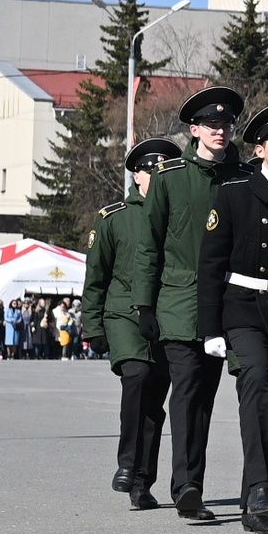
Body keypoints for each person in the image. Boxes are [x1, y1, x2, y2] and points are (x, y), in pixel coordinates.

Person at [196, 100, 268, 534]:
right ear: (259, 149)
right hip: (244, 306)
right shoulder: (234, 194)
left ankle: (253, 500)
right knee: (258, 384)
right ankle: (262, 488)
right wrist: (210, 328)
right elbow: (211, 264)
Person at [138, 86, 247, 522]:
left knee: (205, 398)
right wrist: (144, 306)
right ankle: (187, 485)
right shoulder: (169, 178)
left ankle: (204, 482)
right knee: (186, 394)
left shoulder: (243, 177)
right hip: (180, 303)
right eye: (211, 124)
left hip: (227, 304)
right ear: (194, 130)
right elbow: (148, 246)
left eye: (226, 124)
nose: (220, 131)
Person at [80, 137, 178, 507]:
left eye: (164, 172)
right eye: (151, 172)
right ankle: (126, 464)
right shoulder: (114, 218)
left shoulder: (177, 217)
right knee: (137, 376)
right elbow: (96, 278)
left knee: (154, 400)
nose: (157, 178)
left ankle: (141, 481)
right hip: (124, 315)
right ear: (137, 176)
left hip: (167, 315)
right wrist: (93, 327)